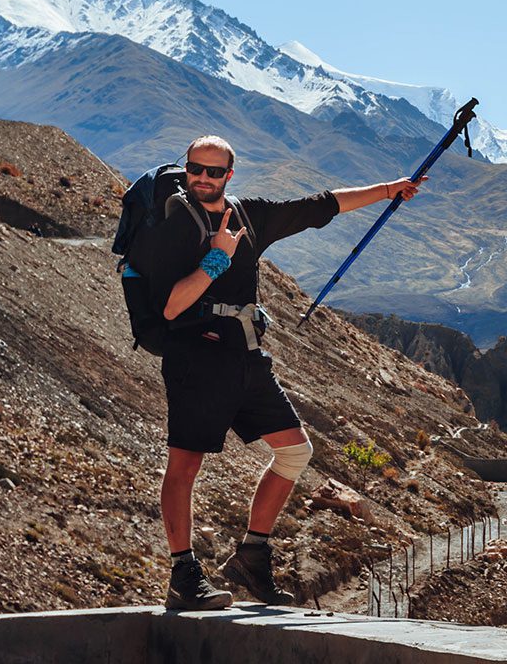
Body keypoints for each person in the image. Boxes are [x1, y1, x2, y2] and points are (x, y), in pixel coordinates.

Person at [127, 134, 425, 611]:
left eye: (213, 171)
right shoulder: (174, 225)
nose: (202, 179)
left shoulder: (250, 215)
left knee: (295, 452)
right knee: (185, 466)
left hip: (245, 356)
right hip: (194, 358)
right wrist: (217, 257)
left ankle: (251, 555)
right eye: (195, 169)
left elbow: (319, 206)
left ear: (230, 174)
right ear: (186, 169)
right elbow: (170, 306)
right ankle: (183, 574)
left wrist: (389, 189)